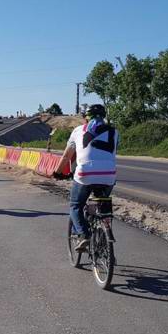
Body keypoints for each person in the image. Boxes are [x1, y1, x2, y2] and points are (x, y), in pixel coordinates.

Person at [53, 104, 118, 251]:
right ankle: (104, 232)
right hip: (109, 174)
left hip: (85, 174)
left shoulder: (78, 131)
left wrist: (57, 172)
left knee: (75, 205)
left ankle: (84, 235)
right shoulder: (115, 132)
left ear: (86, 118)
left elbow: (66, 157)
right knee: (102, 205)